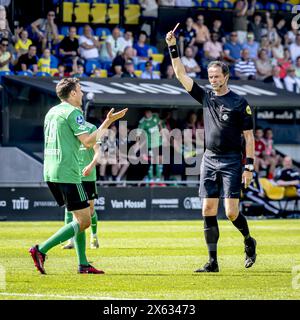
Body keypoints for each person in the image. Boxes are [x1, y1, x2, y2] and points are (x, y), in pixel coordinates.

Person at [166, 29, 257, 272]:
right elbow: (180, 73)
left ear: (226, 77)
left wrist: (249, 167)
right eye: (210, 76)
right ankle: (212, 262)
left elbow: (249, 137)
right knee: (207, 209)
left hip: (231, 161)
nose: (213, 80)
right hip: (209, 159)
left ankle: (248, 240)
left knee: (230, 212)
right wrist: (172, 47)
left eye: (217, 76)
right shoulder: (205, 97)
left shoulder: (239, 103)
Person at [29, 77, 127, 274]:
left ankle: (83, 264)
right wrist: (108, 122)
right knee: (85, 221)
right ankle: (41, 250)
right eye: (80, 90)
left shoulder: (52, 112)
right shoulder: (74, 113)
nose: (82, 94)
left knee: (79, 218)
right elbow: (89, 142)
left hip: (50, 169)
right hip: (68, 172)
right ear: (72, 93)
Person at [63, 121, 101, 250]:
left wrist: (90, 166)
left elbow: (98, 152)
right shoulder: (68, 127)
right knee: (69, 208)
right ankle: (70, 240)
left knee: (90, 211)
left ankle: (94, 236)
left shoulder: (92, 127)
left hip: (88, 176)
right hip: (72, 175)